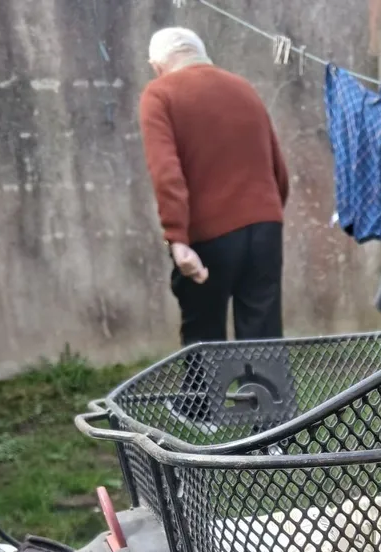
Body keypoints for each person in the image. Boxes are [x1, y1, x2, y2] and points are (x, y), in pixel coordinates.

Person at [139, 27, 290, 344]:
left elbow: (166, 171)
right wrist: (266, 217)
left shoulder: (160, 94)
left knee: (204, 340)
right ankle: (266, 381)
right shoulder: (243, 87)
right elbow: (277, 167)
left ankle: (206, 383)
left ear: (157, 65)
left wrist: (177, 238)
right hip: (265, 227)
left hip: (209, 236)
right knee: (264, 341)